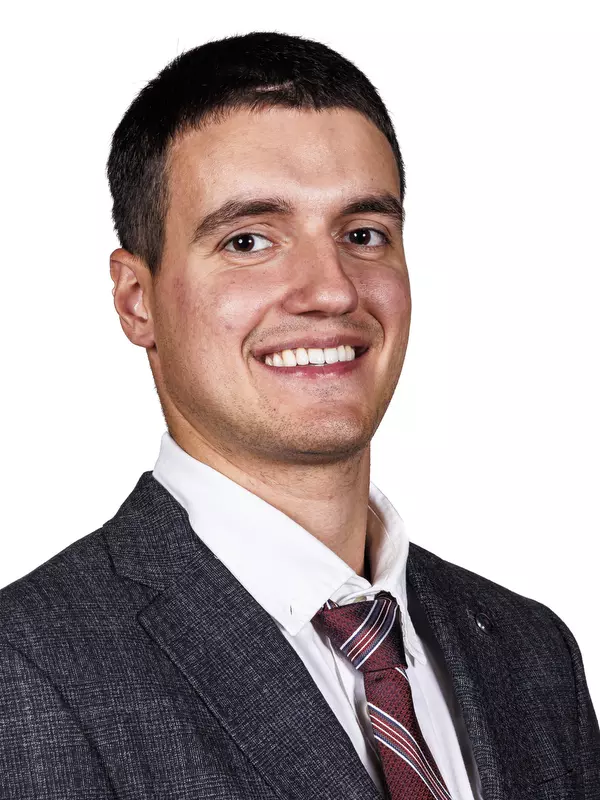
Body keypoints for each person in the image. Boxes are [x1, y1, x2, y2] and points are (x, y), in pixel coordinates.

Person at [0, 31, 597, 800]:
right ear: (136, 299)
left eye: (363, 235)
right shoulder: (30, 671)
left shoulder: (531, 653)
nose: (331, 290)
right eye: (249, 240)